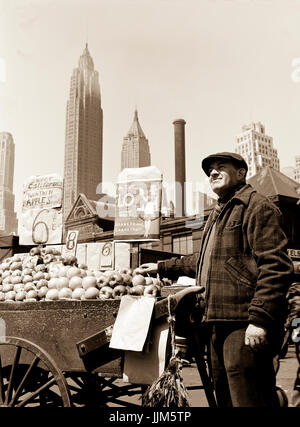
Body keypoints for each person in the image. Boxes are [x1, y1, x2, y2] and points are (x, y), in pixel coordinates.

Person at [140, 152, 294, 407]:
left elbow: (275, 267)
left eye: (221, 167)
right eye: (210, 170)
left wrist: (259, 319)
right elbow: (202, 259)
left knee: (247, 397)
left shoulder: (257, 206)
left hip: (243, 323)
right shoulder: (219, 212)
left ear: (241, 172)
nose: (212, 173)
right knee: (223, 395)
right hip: (215, 321)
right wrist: (160, 266)